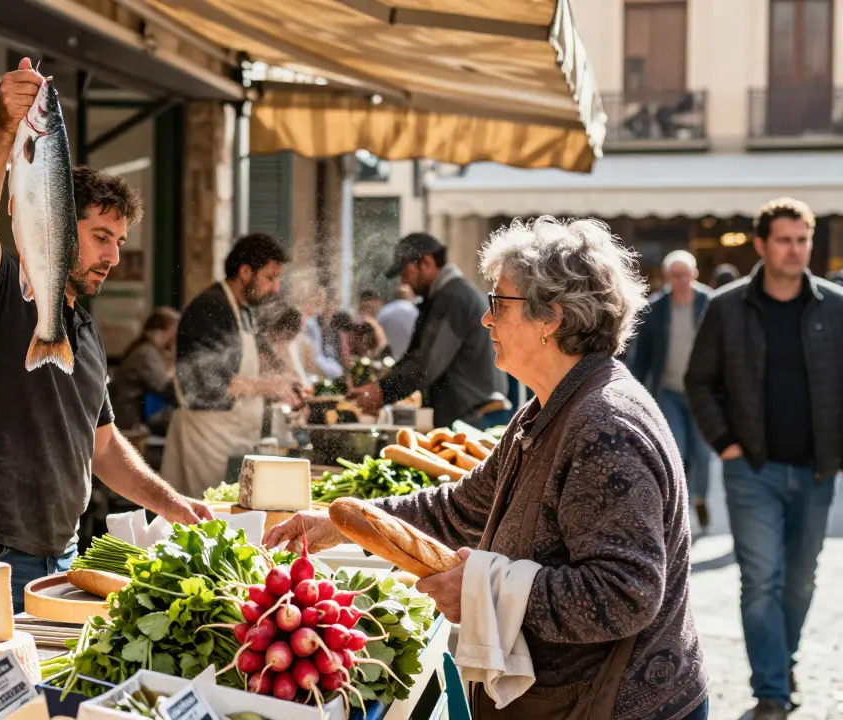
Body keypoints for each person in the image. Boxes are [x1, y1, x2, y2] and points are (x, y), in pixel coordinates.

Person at [268, 218, 709, 720]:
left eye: (500, 303)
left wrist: (482, 588)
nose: (486, 319)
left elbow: (624, 594)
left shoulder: (603, 428)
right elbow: (461, 507)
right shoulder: (547, 409)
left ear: (551, 319)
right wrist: (345, 525)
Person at [0, 58, 212, 608]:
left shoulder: (81, 325)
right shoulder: (3, 287)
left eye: (120, 240)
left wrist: (171, 502)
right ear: (54, 220)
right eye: (101, 236)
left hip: (61, 555)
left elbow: (102, 447)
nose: (114, 256)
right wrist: (7, 126)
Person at [686, 197, 842, 720]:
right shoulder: (728, 306)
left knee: (801, 580)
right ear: (761, 245)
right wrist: (726, 444)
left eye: (803, 240)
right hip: (752, 470)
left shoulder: (835, 307)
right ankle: (771, 693)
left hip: (818, 470)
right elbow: (699, 382)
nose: (796, 250)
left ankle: (782, 659)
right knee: (761, 581)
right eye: (785, 240)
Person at [161, 233, 298, 498]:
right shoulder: (210, 308)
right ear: (245, 272)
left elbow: (259, 362)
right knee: (207, 520)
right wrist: (268, 386)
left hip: (233, 438)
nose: (276, 288)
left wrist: (287, 384)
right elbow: (212, 383)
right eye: (271, 277)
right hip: (206, 442)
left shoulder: (244, 309)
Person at [349, 233, 506, 429]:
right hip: (468, 414)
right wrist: (382, 387)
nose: (404, 282)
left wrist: (382, 390)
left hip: (472, 419)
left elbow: (426, 363)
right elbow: (417, 356)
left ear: (426, 262)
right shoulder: (447, 295)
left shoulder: (453, 297)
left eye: (406, 273)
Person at [628, 250, 714, 530]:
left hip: (702, 394)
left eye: (685, 274)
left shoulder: (710, 304)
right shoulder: (656, 308)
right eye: (674, 275)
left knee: (702, 455)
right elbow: (641, 356)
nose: (680, 280)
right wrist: (635, 390)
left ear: (695, 274)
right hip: (669, 392)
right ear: (667, 278)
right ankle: (683, 510)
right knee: (676, 451)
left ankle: (701, 496)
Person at [109, 307, 179, 434]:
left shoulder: (147, 351)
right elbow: (164, 388)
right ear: (164, 332)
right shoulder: (146, 353)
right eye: (173, 333)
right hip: (130, 421)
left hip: (130, 418)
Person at [375, 283, 419, 358]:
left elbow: (377, 330)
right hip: (410, 355)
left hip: (389, 355)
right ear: (412, 295)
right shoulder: (416, 311)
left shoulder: (385, 310)